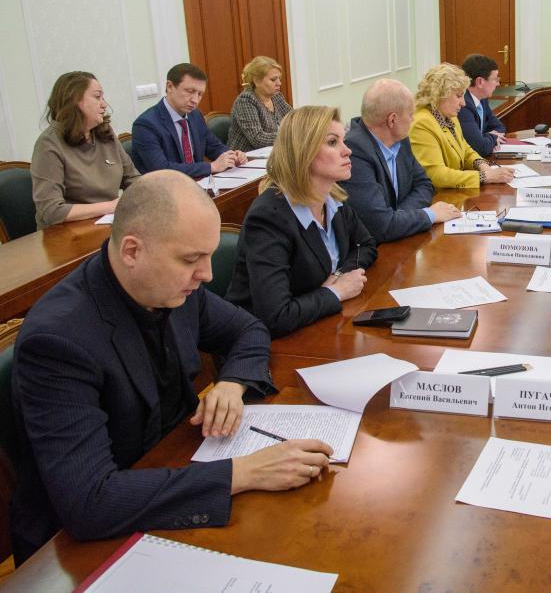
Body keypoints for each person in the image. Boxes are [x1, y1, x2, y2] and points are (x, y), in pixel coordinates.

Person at [10, 170, 335, 565]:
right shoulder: (57, 341)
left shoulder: (174, 287)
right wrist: (244, 473)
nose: (207, 275)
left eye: (208, 256)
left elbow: (248, 329)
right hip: (87, 544)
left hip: (176, 465)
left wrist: (231, 383)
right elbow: (90, 501)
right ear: (132, 251)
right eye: (191, 259)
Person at [225, 105, 378, 337]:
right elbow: (276, 316)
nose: (347, 151)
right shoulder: (268, 217)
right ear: (303, 151)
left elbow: (365, 245)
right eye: (333, 142)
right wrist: (336, 292)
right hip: (266, 341)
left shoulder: (331, 198)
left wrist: (339, 277)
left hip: (318, 324)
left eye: (343, 141)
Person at [345, 79, 461, 242]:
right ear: (392, 120)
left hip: (401, 238)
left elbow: (425, 184)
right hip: (373, 250)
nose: (413, 120)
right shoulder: (354, 151)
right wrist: (430, 214)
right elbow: (381, 226)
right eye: (411, 115)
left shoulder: (400, 140)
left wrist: (398, 217)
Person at [30, 71, 139, 229]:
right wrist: (111, 206)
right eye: (97, 97)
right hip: (66, 235)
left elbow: (133, 179)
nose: (104, 104)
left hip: (108, 225)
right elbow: (51, 211)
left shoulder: (105, 133)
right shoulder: (49, 144)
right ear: (74, 100)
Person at [408, 63, 514, 189]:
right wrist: (485, 176)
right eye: (458, 96)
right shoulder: (422, 124)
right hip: (436, 196)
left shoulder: (450, 116)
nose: (463, 103)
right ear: (440, 94)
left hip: (454, 191)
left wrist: (482, 165)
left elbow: (465, 149)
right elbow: (436, 175)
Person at [132, 63, 248, 177]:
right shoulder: (146, 125)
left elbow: (213, 146)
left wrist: (232, 156)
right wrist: (211, 167)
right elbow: (162, 169)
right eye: (190, 91)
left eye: (200, 94)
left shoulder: (195, 115)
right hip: (165, 187)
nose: (195, 100)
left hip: (198, 182)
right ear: (170, 86)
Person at [227, 55, 293, 152]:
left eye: (279, 79)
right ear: (257, 81)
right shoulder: (246, 100)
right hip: (246, 157)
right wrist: (290, 135)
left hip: (272, 152)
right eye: (273, 80)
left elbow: (294, 119)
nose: (279, 83)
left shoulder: (276, 97)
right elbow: (257, 139)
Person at [456, 54, 506, 157]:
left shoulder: (482, 98)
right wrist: (491, 137)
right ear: (480, 82)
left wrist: (485, 138)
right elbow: (480, 148)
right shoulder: (463, 105)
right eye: (495, 79)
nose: (498, 83)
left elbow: (499, 127)